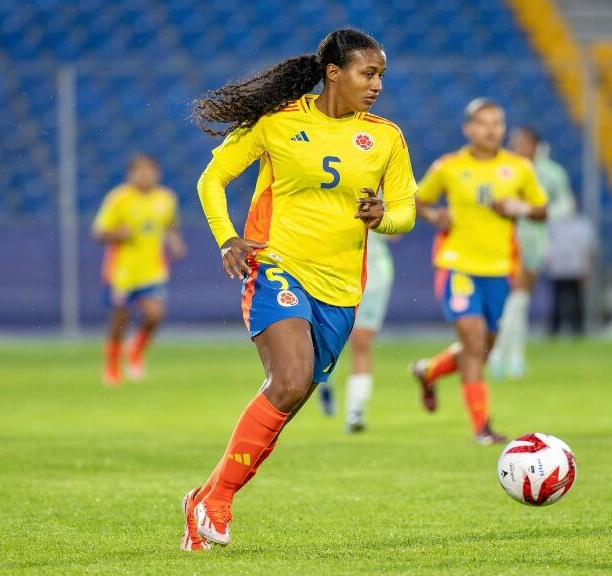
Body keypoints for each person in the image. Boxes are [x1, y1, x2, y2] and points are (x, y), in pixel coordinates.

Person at [183, 29, 416, 550]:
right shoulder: (278, 121)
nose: (377, 85)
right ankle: (218, 505)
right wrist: (227, 239)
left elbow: (406, 212)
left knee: (285, 403)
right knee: (288, 382)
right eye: (368, 73)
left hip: (340, 289)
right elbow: (211, 180)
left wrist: (382, 217)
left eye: (380, 75)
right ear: (334, 73)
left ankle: (205, 497)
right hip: (277, 267)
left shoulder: (386, 138)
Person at [410, 99, 547, 445]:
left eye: (498, 123)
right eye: (483, 123)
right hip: (457, 266)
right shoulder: (449, 167)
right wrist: (435, 216)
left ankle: (428, 371)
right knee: (473, 342)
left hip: (499, 270)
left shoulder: (519, 168)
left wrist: (519, 207)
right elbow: (418, 200)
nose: (491, 130)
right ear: (468, 129)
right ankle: (482, 427)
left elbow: (542, 210)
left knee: (483, 346)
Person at [488, 126, 575, 379]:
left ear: (536, 146)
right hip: (503, 239)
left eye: (523, 142)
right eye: (515, 142)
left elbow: (566, 205)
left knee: (520, 300)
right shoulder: (503, 169)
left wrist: (531, 212)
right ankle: (502, 355)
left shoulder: (551, 174)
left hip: (533, 241)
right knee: (511, 300)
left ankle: (511, 355)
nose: (518, 147)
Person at [92, 154, 186, 386]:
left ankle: (135, 351)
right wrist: (118, 234)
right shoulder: (118, 199)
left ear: (157, 173)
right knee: (119, 320)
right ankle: (112, 367)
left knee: (155, 315)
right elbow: (99, 233)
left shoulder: (166, 198)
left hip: (152, 271)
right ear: (130, 174)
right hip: (121, 273)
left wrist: (175, 241)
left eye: (149, 170)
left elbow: (170, 223)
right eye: (139, 171)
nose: (145, 175)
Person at [317, 231, 395, 432]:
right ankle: (324, 380)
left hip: (374, 277)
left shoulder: (384, 197)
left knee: (362, 341)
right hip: (335, 274)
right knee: (332, 339)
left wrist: (383, 217)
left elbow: (398, 230)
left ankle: (356, 411)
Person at [546, 207, 596, 335]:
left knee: (576, 300)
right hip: (559, 268)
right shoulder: (554, 223)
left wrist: (587, 268)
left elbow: (588, 248)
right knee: (558, 300)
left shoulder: (582, 224)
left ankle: (578, 328)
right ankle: (556, 329)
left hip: (576, 268)